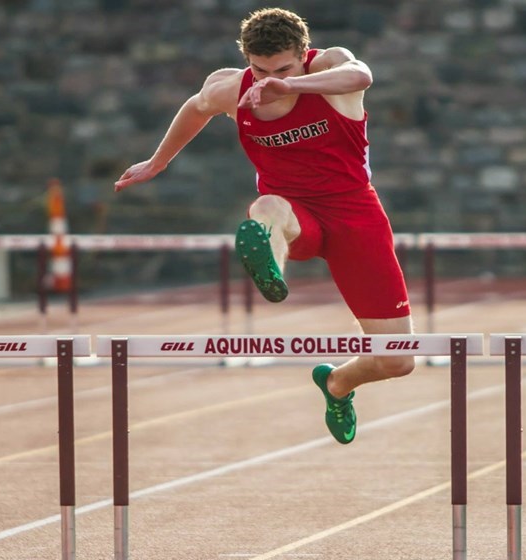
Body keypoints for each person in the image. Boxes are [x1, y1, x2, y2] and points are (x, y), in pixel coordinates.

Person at [114, 7, 414, 445]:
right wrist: (157, 162)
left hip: (355, 215)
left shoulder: (329, 66)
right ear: (246, 60)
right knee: (268, 206)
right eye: (259, 69)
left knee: (398, 360)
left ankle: (336, 383)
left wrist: (290, 84)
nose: (267, 78)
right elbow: (196, 108)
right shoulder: (231, 89)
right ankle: (272, 266)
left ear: (302, 54)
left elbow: (361, 75)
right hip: (295, 214)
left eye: (282, 67)